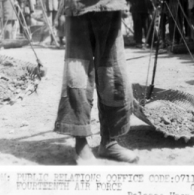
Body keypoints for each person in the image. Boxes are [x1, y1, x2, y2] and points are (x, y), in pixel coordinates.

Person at [54, 0, 139, 164]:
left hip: (110, 4)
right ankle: (80, 144)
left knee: (112, 71)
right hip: (78, 6)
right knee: (79, 72)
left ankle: (109, 141)